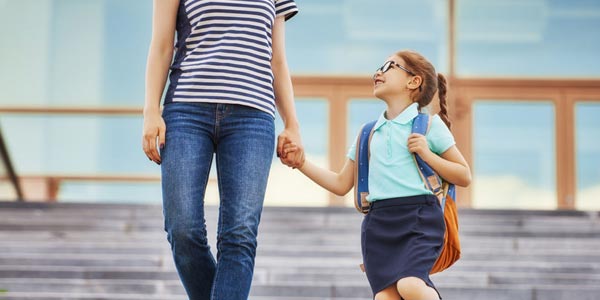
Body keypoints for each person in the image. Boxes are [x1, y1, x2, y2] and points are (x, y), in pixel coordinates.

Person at [141, 1, 303, 299]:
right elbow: (162, 45)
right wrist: (151, 110)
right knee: (182, 229)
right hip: (186, 111)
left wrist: (292, 122)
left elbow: (277, 59)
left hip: (253, 117)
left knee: (239, 234)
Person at [281, 50, 471, 300]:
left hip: (419, 219)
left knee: (411, 286)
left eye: (390, 66)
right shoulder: (368, 132)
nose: (378, 72)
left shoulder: (428, 126)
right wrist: (301, 163)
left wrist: (428, 155)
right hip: (378, 225)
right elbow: (340, 184)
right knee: (384, 298)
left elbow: (464, 175)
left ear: (413, 82)